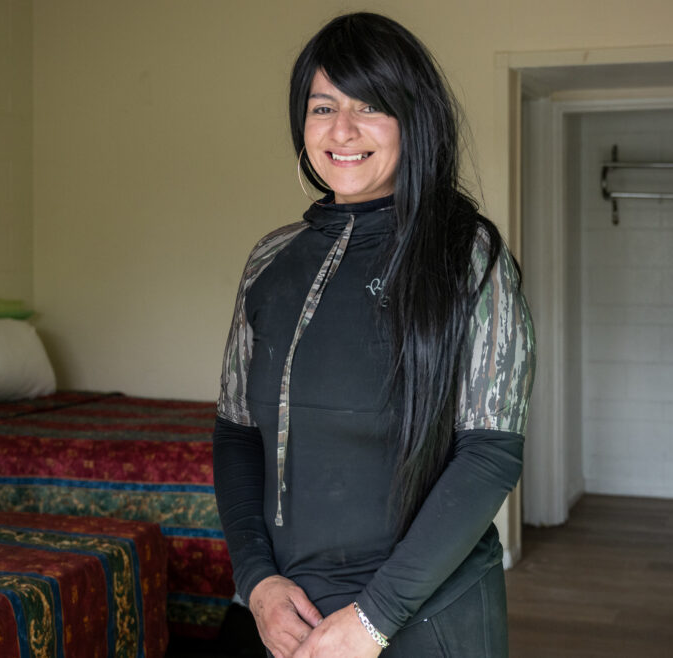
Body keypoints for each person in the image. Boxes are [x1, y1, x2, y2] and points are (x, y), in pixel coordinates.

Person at [212, 12, 535, 658]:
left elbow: (490, 455)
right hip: (283, 620)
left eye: (371, 107)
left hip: (423, 617)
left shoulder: (470, 258)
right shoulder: (270, 261)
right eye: (323, 107)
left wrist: (373, 619)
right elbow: (237, 434)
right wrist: (258, 582)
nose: (342, 131)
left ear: (414, 120)